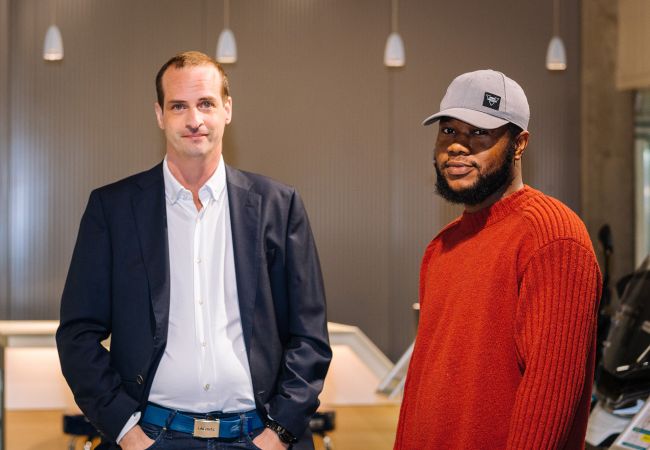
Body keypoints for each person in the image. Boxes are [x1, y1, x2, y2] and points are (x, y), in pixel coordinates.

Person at [56, 51, 331, 450]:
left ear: (227, 109)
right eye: (178, 106)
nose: (194, 119)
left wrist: (280, 433)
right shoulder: (113, 209)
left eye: (206, 103)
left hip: (258, 437)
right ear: (159, 115)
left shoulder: (279, 205)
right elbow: (77, 334)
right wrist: (125, 431)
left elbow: (310, 335)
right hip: (151, 437)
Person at [393, 70, 602, 449]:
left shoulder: (554, 238)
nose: (458, 146)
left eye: (479, 133)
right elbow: (422, 385)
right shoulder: (442, 246)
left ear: (519, 144)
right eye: (448, 131)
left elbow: (549, 402)